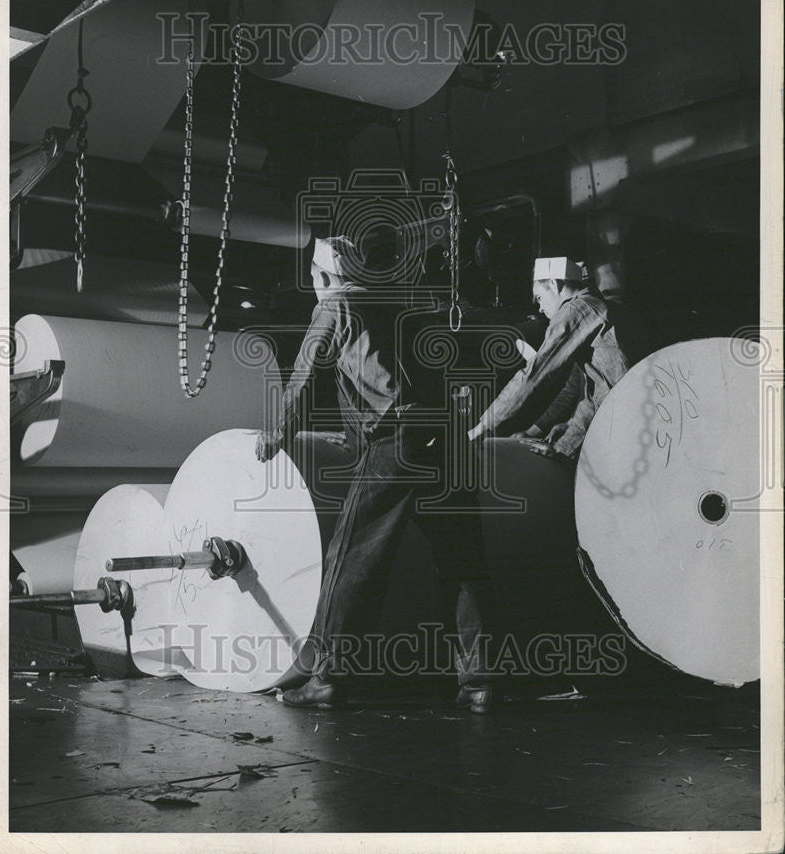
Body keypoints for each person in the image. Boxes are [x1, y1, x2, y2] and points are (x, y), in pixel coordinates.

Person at [255, 236, 496, 713]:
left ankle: (326, 676)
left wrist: (277, 433)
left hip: (397, 440)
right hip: (445, 437)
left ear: (322, 277)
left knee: (352, 557)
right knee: (461, 559)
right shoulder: (397, 302)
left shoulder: (334, 307)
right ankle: (480, 684)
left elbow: (305, 376)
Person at [467, 256, 633, 461]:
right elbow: (598, 394)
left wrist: (485, 425)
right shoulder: (603, 308)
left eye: (539, 297)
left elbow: (535, 374)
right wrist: (565, 442)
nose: (539, 308)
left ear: (554, 285)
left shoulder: (575, 309)